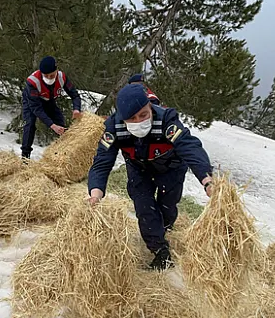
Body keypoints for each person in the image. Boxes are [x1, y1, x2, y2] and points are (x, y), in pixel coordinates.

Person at [87, 84, 213, 270]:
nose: (139, 121)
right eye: (132, 118)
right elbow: (102, 162)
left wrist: (207, 180)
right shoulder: (113, 128)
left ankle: (166, 228)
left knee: (167, 206)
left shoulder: (166, 120)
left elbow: (189, 146)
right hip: (139, 168)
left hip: (171, 167)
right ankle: (160, 251)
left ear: (150, 107)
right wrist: (95, 193)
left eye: (143, 115)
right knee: (144, 206)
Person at [21, 56, 82, 159]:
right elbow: (37, 109)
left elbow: (75, 95)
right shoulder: (32, 82)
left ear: (56, 71)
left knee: (60, 122)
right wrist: (52, 125)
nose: (49, 78)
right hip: (32, 102)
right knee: (30, 124)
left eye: (52, 75)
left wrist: (76, 109)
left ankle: (62, 154)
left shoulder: (62, 77)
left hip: (49, 99)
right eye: (46, 75)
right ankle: (25, 156)